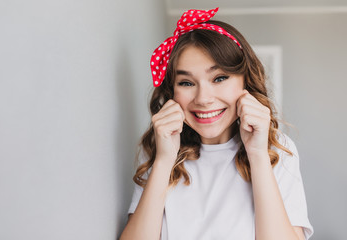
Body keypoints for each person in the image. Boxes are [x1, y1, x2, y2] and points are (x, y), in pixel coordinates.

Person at [120, 7, 313, 240]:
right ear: (172, 92)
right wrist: (163, 160)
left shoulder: (277, 150)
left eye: (219, 78)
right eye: (186, 83)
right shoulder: (158, 149)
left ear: (246, 81)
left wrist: (258, 155)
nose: (203, 99)